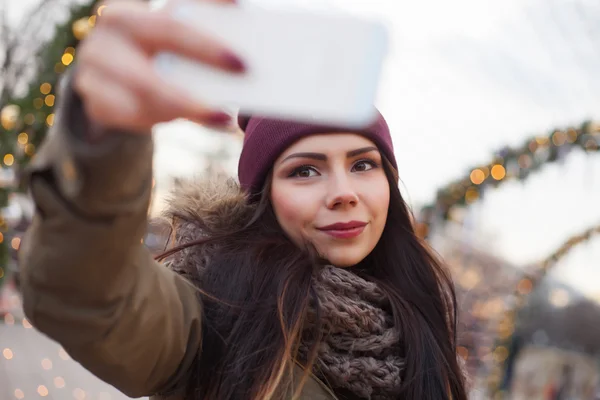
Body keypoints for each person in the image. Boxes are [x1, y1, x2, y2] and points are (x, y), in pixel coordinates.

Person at [18, 0, 468, 399]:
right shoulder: (215, 311)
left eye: (363, 164)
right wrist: (102, 140)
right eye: (304, 171)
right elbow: (87, 297)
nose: (344, 193)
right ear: (263, 196)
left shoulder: (423, 315)